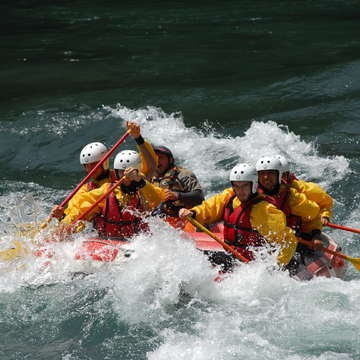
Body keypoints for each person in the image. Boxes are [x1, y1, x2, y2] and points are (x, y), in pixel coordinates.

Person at [178, 163, 298, 266]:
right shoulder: (230, 198)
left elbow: (288, 240)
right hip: (232, 256)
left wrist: (276, 266)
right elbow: (210, 207)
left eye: (245, 185)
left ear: (254, 184)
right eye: (237, 186)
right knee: (193, 255)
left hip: (251, 264)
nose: (240, 190)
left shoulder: (263, 210)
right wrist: (193, 212)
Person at [51, 122, 158, 221]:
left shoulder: (127, 175)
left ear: (104, 163)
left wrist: (138, 138)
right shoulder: (88, 190)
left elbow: (151, 168)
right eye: (86, 166)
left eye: (94, 165)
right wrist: (62, 216)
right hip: (107, 232)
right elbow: (77, 212)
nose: (89, 170)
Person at [59, 152, 166, 240]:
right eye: (121, 172)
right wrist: (63, 220)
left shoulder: (144, 188)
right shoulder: (106, 190)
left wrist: (140, 181)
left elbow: (158, 200)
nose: (126, 177)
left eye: (130, 173)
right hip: (107, 240)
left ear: (137, 172)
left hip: (137, 241)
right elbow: (80, 208)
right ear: (116, 173)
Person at [255, 156, 323, 250]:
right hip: (259, 245)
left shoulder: (292, 197)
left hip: (291, 242)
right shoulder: (249, 194)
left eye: (271, 173)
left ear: (279, 175)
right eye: (262, 174)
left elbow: (314, 215)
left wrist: (316, 235)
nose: (266, 177)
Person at [150, 145, 204, 222]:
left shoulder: (183, 174)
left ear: (170, 160)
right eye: (154, 158)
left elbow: (199, 197)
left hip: (184, 218)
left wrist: (177, 195)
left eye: (161, 157)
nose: (157, 161)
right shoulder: (150, 177)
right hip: (161, 219)